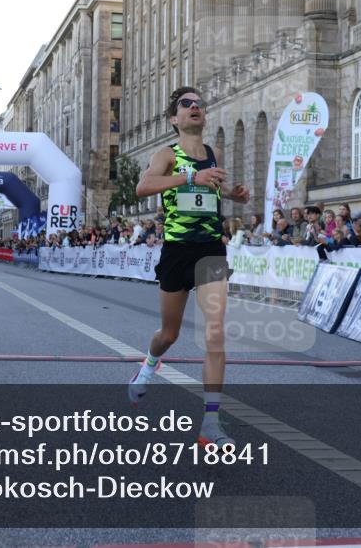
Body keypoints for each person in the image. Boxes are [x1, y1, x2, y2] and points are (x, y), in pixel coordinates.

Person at [127, 86, 250, 449]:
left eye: (199, 104)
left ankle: (209, 423)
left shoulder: (214, 154)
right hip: (177, 251)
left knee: (214, 332)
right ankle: (149, 364)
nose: (195, 108)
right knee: (169, 334)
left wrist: (233, 194)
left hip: (211, 250)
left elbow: (213, 190)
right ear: (174, 118)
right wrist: (189, 177)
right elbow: (142, 188)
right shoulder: (167, 154)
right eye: (186, 104)